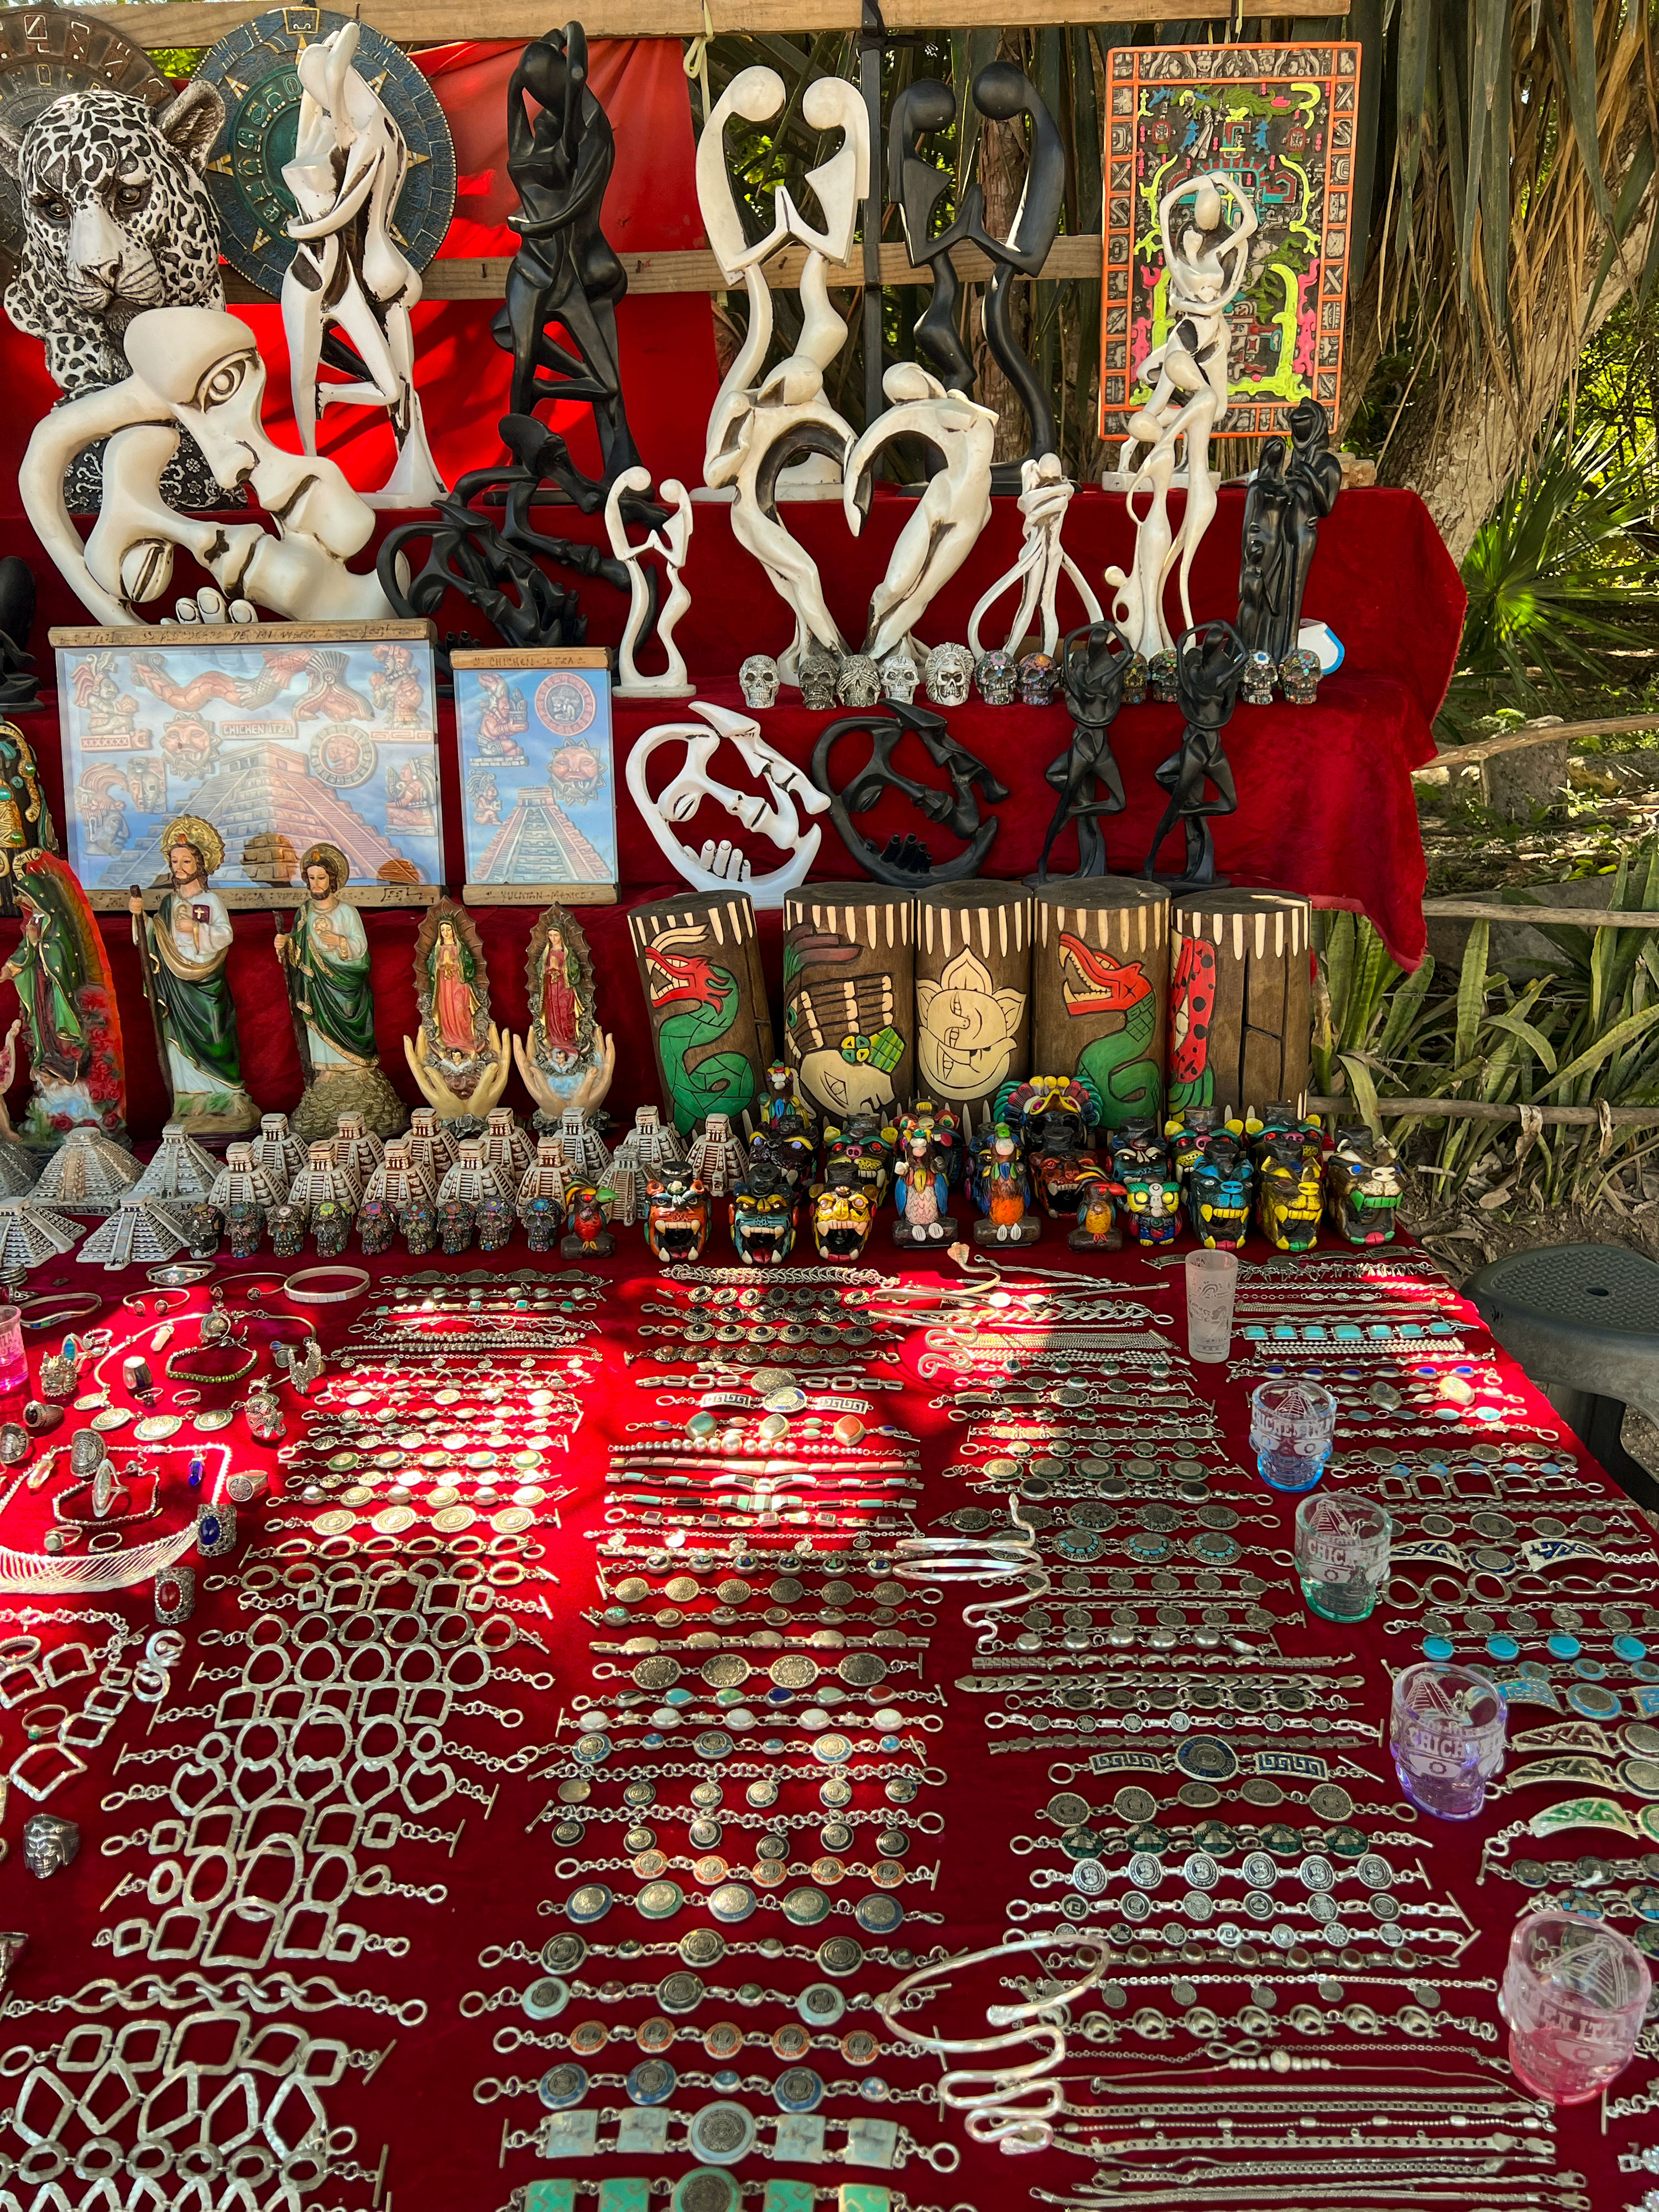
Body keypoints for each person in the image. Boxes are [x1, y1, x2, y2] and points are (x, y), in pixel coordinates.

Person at [128, 815, 259, 1134]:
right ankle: (192, 1100)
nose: (180, 867)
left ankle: (229, 1097)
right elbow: (151, 937)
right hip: (175, 985)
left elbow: (225, 935)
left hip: (206, 984)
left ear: (200, 864)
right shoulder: (169, 903)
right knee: (179, 1042)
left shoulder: (211, 901)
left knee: (216, 1035)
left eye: (186, 861)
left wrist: (197, 929)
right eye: (175, 861)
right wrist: (139, 917)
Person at [274, 842, 406, 1138]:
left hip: (345, 984)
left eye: (321, 878)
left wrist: (339, 943)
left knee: (348, 1019)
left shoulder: (347, 912)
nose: (316, 884)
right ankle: (328, 1070)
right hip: (316, 984)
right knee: (318, 1024)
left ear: (332, 880)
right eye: (311, 878)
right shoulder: (304, 912)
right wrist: (286, 944)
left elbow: (361, 948)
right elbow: (297, 945)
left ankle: (357, 1070)